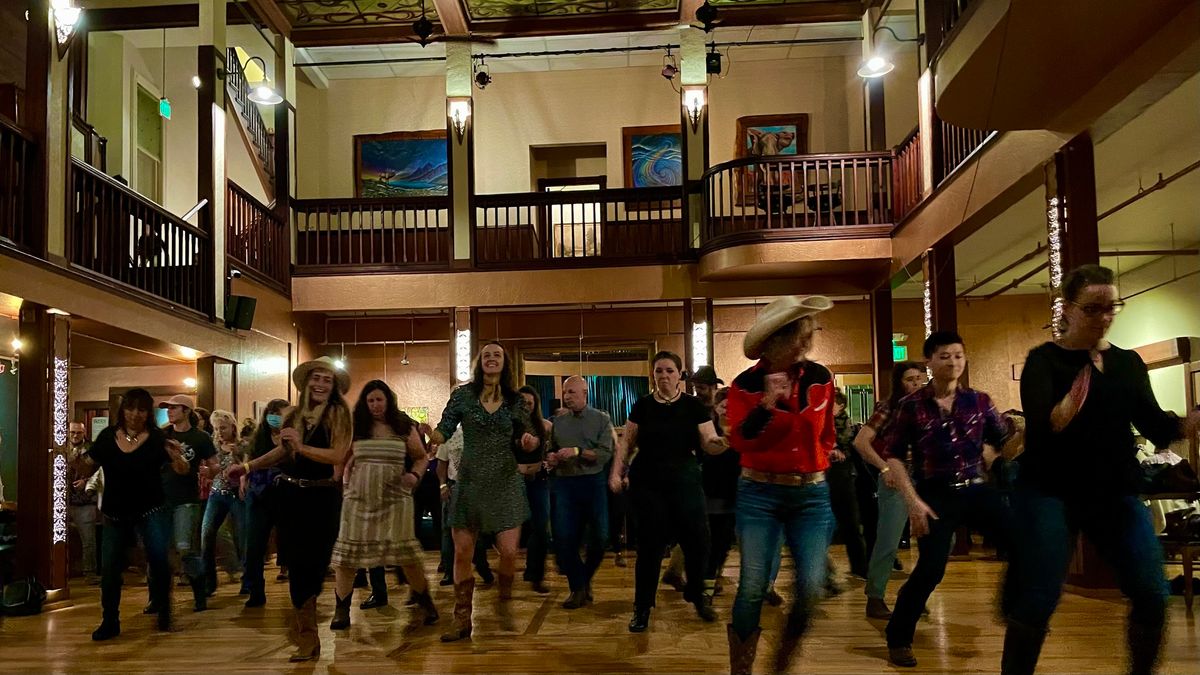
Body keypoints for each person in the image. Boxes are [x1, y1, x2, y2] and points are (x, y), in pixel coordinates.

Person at [1001, 264, 1200, 675]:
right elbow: (1045, 422)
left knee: (1151, 592)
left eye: (1112, 307)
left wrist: (1189, 422)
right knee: (1039, 595)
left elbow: (1156, 426)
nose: (1105, 317)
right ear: (1069, 309)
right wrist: (1082, 379)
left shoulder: (1127, 364)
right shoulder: (1044, 361)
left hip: (1113, 489)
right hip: (1050, 488)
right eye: (1093, 309)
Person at [880, 331, 1011, 668]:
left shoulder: (979, 401)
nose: (953, 362)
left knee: (1022, 540)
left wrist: (991, 455)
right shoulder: (911, 405)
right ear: (929, 362)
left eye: (958, 356)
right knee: (931, 569)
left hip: (976, 488)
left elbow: (1001, 438)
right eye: (944, 356)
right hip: (935, 494)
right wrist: (912, 501)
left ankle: (1018, 611)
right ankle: (898, 637)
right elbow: (892, 454)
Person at [724, 295, 837, 675]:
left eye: (808, 335)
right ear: (776, 341)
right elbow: (740, 441)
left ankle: (780, 665)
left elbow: (827, 433)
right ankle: (741, 669)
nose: (806, 343)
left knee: (811, 588)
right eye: (799, 336)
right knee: (753, 587)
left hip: (811, 494)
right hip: (759, 494)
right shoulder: (746, 385)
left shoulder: (821, 378)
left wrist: (821, 458)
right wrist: (768, 406)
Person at [232, 356, 352, 661]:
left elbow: (337, 454)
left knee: (316, 564)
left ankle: (309, 627)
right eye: (317, 378)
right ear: (307, 382)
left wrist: (302, 447)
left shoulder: (339, 414)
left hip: (323, 497)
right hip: (291, 496)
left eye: (328, 379)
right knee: (296, 565)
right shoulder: (294, 415)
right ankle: (308, 637)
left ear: (334, 386)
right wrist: (247, 466)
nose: (321, 384)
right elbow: (280, 453)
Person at [609, 351, 729, 633]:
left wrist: (723, 442)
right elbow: (627, 443)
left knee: (699, 541)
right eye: (659, 371)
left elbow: (709, 440)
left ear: (679, 375)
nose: (664, 376)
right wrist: (617, 471)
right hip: (648, 481)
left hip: (685, 477)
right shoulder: (642, 406)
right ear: (654, 375)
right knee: (650, 548)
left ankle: (697, 594)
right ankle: (642, 608)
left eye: (669, 371)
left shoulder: (693, 406)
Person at [431, 341, 540, 642]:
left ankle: (504, 599)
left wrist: (528, 442)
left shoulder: (514, 400)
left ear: (505, 364)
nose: (492, 358)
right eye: (487, 354)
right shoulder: (463, 396)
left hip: (505, 481)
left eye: (498, 355)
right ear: (480, 363)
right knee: (462, 552)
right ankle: (461, 619)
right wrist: (433, 435)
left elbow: (524, 434)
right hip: (469, 482)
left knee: (508, 552)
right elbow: (446, 427)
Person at [329, 380, 439, 633]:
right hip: (359, 499)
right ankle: (341, 609)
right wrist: (341, 484)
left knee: (407, 558)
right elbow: (339, 459)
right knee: (346, 558)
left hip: (395, 499)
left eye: (379, 399)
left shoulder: (403, 426)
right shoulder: (356, 427)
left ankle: (426, 603)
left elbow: (421, 457)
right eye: (370, 401)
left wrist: (414, 475)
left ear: (388, 400)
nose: (375, 405)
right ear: (364, 404)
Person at [81, 388, 190, 641]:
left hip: (150, 508)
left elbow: (182, 469)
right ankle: (110, 620)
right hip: (114, 512)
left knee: (159, 560)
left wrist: (177, 456)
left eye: (141, 409)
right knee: (109, 567)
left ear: (148, 413)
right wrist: (72, 456)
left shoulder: (156, 439)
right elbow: (88, 464)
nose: (135, 414)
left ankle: (164, 610)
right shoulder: (108, 437)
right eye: (130, 408)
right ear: (122, 410)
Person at [853, 361, 927, 619]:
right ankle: (875, 597)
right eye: (910, 379)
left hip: (927, 478)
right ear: (899, 382)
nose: (916, 384)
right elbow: (861, 441)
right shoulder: (889, 407)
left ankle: (915, 594)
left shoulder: (930, 407)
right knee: (888, 541)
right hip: (898, 477)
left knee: (937, 540)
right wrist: (884, 468)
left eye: (919, 378)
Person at [544, 376, 614, 609]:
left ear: (585, 393)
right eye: (565, 393)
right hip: (564, 483)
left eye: (572, 392)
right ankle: (577, 587)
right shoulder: (558, 422)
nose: (567, 397)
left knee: (601, 537)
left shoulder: (601, 419)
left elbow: (604, 454)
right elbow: (551, 450)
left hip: (593, 482)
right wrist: (552, 457)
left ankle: (584, 580)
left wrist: (577, 451)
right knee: (563, 538)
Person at [662, 365, 726, 591]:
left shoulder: (719, 408)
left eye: (702, 387)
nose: (698, 391)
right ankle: (706, 576)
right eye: (696, 387)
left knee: (705, 526)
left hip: (716, 474)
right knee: (707, 527)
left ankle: (677, 570)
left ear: (711, 387)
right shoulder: (692, 408)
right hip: (699, 473)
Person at [156, 394, 217, 613]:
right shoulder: (162, 435)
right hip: (160, 498)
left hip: (186, 499)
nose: (170, 412)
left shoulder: (199, 437)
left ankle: (199, 594)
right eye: (168, 409)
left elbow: (214, 464)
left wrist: (209, 471)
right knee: (159, 549)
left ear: (186, 411)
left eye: (174, 408)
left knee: (185, 549)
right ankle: (157, 598)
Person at [239, 398, 288, 608]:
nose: (275, 417)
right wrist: (244, 478)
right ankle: (255, 589)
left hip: (286, 493)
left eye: (280, 413)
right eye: (272, 413)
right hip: (259, 493)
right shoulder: (259, 438)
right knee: (254, 544)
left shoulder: (293, 437)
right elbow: (249, 462)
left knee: (290, 543)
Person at [434, 428, 494, 587]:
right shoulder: (448, 435)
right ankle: (449, 571)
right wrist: (442, 485)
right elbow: (441, 463)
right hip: (454, 486)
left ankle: (482, 568)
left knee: (476, 532)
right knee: (448, 530)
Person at [199, 410, 247, 597]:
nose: (219, 432)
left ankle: (247, 579)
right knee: (207, 534)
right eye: (217, 428)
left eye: (223, 428)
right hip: (217, 493)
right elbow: (210, 469)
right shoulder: (212, 446)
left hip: (237, 495)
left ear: (233, 427)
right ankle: (209, 582)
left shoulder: (242, 446)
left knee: (243, 538)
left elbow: (246, 467)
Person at [701, 386, 740, 600]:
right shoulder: (709, 429)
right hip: (713, 491)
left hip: (737, 491)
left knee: (725, 541)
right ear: (716, 408)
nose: (726, 409)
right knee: (716, 540)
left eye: (730, 405)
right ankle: (708, 582)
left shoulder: (742, 429)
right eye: (723, 405)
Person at [827, 390, 868, 579]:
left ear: (841, 405)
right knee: (823, 525)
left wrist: (836, 449)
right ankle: (824, 571)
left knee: (851, 523)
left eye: (832, 402)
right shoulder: (820, 422)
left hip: (843, 476)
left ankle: (860, 566)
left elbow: (848, 447)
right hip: (822, 475)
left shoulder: (847, 424)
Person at [517, 385, 553, 594]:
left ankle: (535, 575)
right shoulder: (509, 426)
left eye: (530, 403)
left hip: (539, 482)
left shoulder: (545, 427)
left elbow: (551, 452)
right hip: (514, 482)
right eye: (522, 403)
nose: (526, 407)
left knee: (541, 528)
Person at [66, 421, 99, 582]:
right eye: (72, 432)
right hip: (64, 500)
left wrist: (86, 481)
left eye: (78, 432)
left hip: (86, 500)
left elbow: (100, 472)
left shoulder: (92, 450)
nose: (75, 435)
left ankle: (90, 572)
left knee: (88, 540)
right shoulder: (62, 449)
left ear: (84, 433)